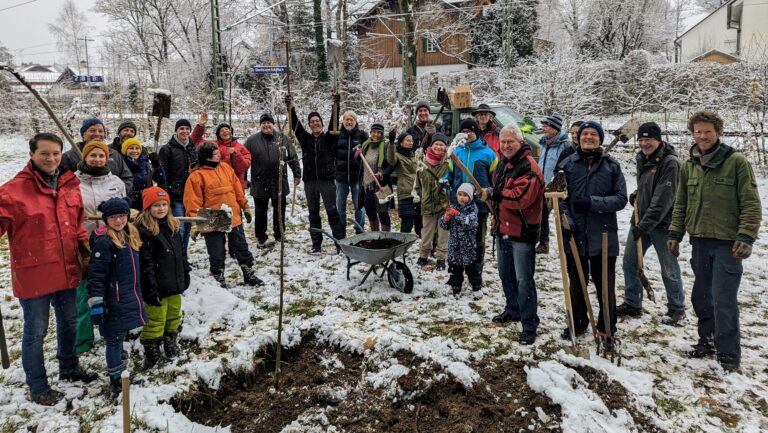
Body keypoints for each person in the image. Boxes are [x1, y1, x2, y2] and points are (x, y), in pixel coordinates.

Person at [0, 133, 96, 405]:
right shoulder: (12, 191)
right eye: (44, 153)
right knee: (35, 331)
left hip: (67, 268)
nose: (51, 158)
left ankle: (69, 368)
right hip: (34, 274)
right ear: (32, 154)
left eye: (55, 153)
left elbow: (76, 223)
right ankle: (38, 386)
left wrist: (84, 249)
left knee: (68, 323)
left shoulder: (69, 183)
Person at [668, 110, 761, 372]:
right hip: (700, 242)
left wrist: (746, 236)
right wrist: (675, 233)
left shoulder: (736, 162)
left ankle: (729, 354)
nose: (702, 136)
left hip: (727, 244)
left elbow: (751, 203)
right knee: (702, 297)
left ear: (719, 132)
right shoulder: (689, 165)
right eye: (697, 131)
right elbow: (681, 203)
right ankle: (706, 341)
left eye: (708, 131)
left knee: (723, 299)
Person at [559, 120, 627, 343]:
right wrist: (565, 220)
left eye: (593, 134)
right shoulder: (567, 164)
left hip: (604, 235)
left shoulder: (611, 166)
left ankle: (607, 326)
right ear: (578, 138)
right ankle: (578, 323)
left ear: (600, 139)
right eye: (584, 134)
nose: (588, 137)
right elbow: (558, 197)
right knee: (577, 283)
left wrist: (592, 203)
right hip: (575, 235)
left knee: (604, 285)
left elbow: (620, 199)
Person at [617, 122, 686, 325]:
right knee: (630, 263)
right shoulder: (643, 158)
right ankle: (633, 302)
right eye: (641, 139)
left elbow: (662, 200)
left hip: (663, 225)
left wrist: (643, 226)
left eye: (649, 139)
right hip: (640, 222)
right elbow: (647, 187)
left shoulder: (670, 163)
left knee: (669, 268)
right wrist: (637, 194)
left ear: (659, 139)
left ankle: (676, 308)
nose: (644, 143)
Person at [487, 124, 544, 345]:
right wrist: (494, 204)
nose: (506, 145)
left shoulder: (528, 167)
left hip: (522, 232)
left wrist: (496, 194)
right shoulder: (503, 163)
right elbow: (497, 189)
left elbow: (520, 198)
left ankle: (529, 324)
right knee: (506, 275)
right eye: (503, 142)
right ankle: (513, 309)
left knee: (524, 281)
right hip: (503, 229)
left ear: (520, 142)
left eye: (510, 141)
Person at [87, 197, 146, 398]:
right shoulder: (104, 243)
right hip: (113, 301)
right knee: (113, 339)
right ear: (105, 219)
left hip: (125, 297)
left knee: (119, 337)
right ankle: (117, 381)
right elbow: (96, 277)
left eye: (122, 216)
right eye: (113, 217)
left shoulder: (129, 236)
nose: (119, 221)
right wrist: (97, 305)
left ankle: (123, 374)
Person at [184, 143, 262, 287]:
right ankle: (218, 278)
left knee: (241, 247)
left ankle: (248, 273)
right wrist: (195, 223)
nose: (219, 155)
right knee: (216, 251)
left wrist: (244, 205)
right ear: (207, 157)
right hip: (211, 218)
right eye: (215, 153)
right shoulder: (196, 176)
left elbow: (237, 189)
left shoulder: (226, 168)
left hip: (232, 214)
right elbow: (192, 201)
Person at [75, 140, 127, 353]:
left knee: (113, 288)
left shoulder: (115, 182)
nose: (97, 159)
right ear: (85, 157)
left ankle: (113, 330)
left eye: (101, 155)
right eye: (92, 155)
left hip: (111, 241)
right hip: (83, 243)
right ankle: (83, 340)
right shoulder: (73, 182)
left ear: (107, 158)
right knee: (85, 290)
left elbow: (123, 210)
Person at [134, 187, 191, 368]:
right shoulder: (145, 231)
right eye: (156, 205)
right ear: (147, 208)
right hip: (157, 286)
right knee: (155, 320)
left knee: (174, 315)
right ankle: (152, 351)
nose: (161, 209)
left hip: (174, 282)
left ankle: (170, 342)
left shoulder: (173, 226)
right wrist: (150, 289)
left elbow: (181, 253)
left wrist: (185, 272)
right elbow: (146, 263)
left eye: (164, 204)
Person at [285, 94, 345, 253]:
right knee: (313, 213)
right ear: (310, 125)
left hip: (327, 181)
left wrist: (336, 105)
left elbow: (334, 122)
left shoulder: (330, 138)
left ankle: (339, 242)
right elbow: (295, 125)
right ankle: (316, 243)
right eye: (312, 122)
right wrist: (290, 108)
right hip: (310, 181)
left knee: (332, 211)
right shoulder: (305, 139)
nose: (315, 123)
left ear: (322, 124)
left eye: (317, 121)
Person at [444, 118, 497, 271]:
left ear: (477, 132)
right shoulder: (456, 153)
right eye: (464, 131)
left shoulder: (489, 154)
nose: (466, 134)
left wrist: (491, 198)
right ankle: (457, 271)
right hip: (458, 204)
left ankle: (476, 271)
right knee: (457, 238)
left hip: (479, 206)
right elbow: (450, 176)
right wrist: (445, 182)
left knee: (477, 240)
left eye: (470, 131)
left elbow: (494, 181)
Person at [244, 113, 302, 248]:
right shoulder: (252, 141)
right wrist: (243, 178)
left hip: (279, 182)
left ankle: (279, 234)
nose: (266, 125)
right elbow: (244, 161)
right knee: (260, 212)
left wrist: (297, 174)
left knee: (279, 211)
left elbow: (293, 157)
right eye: (263, 123)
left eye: (268, 122)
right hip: (259, 182)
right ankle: (261, 238)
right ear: (260, 125)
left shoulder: (282, 138)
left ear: (273, 124)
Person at [60, 117, 134, 195]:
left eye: (100, 131)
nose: (97, 134)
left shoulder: (114, 155)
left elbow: (127, 178)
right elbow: (63, 184)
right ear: (83, 134)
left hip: (111, 203)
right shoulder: (69, 157)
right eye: (92, 130)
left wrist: (119, 194)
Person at [158, 118, 197, 249]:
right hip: (175, 196)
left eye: (187, 129)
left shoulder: (193, 149)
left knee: (187, 228)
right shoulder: (167, 149)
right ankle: (177, 258)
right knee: (178, 228)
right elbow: (163, 174)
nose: (184, 131)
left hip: (191, 195)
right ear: (176, 130)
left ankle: (183, 257)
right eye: (181, 128)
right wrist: (166, 194)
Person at [414, 133, 451, 270]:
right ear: (431, 146)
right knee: (426, 233)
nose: (439, 147)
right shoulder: (423, 164)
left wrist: (446, 187)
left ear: (445, 147)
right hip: (427, 205)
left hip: (444, 206)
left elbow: (453, 183)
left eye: (442, 144)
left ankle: (441, 259)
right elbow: (417, 185)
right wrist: (420, 198)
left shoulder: (449, 164)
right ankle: (423, 256)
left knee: (443, 234)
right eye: (436, 144)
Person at [535, 114, 570, 255]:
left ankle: (568, 241)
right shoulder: (543, 143)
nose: (543, 129)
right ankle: (543, 243)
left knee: (562, 214)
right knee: (542, 214)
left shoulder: (565, 145)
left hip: (558, 186)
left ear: (555, 128)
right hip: (543, 184)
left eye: (546, 126)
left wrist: (559, 183)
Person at [440, 183, 481, 298]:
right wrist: (446, 219)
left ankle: (476, 287)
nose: (462, 198)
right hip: (454, 246)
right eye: (460, 195)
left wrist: (457, 215)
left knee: (472, 269)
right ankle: (456, 287)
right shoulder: (453, 207)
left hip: (468, 247)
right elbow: (443, 225)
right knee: (455, 268)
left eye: (465, 195)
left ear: (470, 197)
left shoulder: (473, 209)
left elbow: (470, 222)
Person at [191, 112, 252, 191]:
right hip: (217, 187)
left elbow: (242, 168)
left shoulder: (241, 148)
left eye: (227, 129)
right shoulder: (213, 145)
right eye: (222, 131)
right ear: (218, 135)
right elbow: (195, 140)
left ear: (231, 132)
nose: (225, 131)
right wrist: (200, 126)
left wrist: (235, 153)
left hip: (236, 188)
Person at [336, 110, 369, 234]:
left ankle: (359, 231)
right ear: (343, 121)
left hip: (357, 178)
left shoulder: (362, 136)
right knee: (340, 207)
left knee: (359, 206)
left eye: (352, 120)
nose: (349, 122)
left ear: (355, 122)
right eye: (346, 119)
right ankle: (340, 232)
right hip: (341, 178)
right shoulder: (337, 136)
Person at [358, 123, 392, 231]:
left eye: (379, 132)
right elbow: (361, 164)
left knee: (382, 212)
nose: (376, 135)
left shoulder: (385, 146)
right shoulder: (365, 145)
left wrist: (382, 174)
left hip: (380, 185)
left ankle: (387, 237)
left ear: (382, 134)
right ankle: (375, 235)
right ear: (370, 133)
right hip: (367, 184)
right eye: (374, 132)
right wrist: (357, 155)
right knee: (370, 211)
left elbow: (391, 165)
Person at [387, 131, 422, 235]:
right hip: (405, 194)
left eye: (411, 140)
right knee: (407, 225)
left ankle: (425, 249)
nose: (410, 142)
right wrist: (392, 143)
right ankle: (403, 247)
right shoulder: (397, 155)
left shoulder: (414, 156)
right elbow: (391, 160)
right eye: (407, 140)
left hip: (418, 194)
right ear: (401, 143)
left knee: (420, 225)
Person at [121, 137, 165, 210]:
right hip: (129, 201)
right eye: (131, 148)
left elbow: (160, 179)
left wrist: (157, 165)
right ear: (125, 150)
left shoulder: (146, 163)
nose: (135, 151)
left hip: (146, 199)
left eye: (137, 148)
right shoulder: (122, 164)